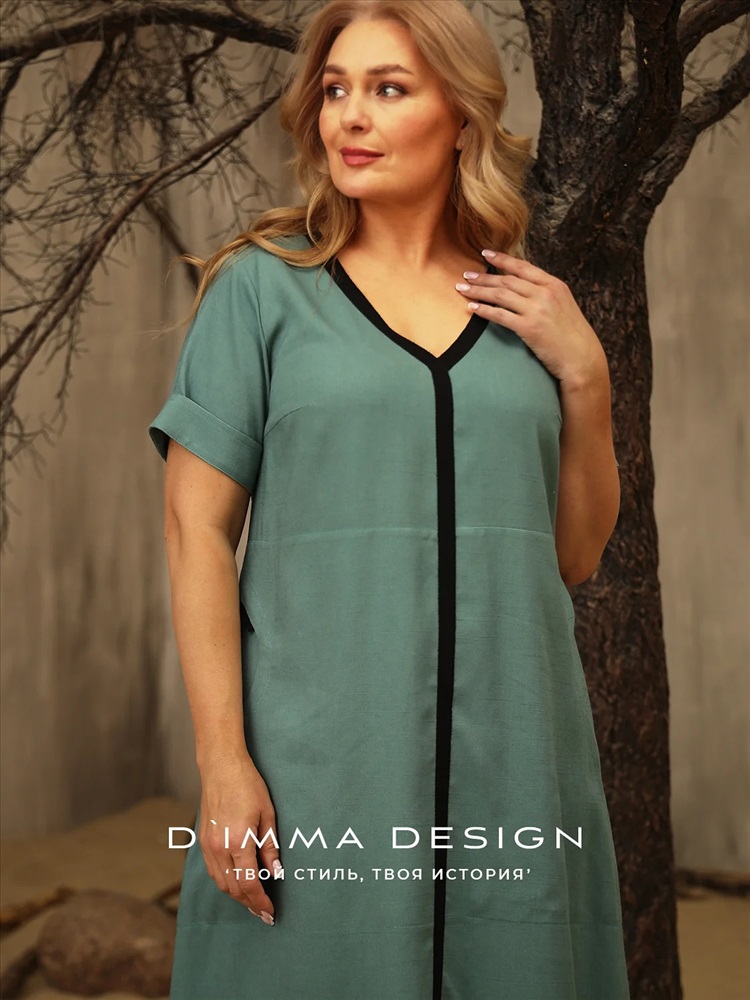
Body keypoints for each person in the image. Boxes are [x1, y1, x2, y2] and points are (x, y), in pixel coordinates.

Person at [148, 1, 631, 997]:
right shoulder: (261, 290)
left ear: (460, 117)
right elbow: (195, 528)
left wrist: (586, 375)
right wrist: (224, 761)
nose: (351, 117)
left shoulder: (528, 312)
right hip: (319, 765)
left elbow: (575, 554)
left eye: (388, 88)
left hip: (516, 762)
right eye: (336, 90)